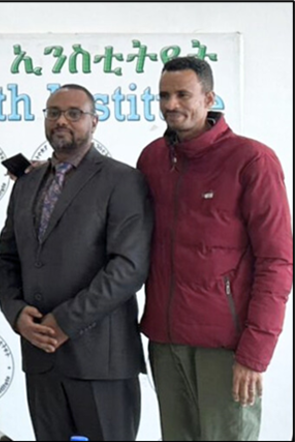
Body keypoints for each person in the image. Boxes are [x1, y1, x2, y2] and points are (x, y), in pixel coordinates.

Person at [137, 56, 293, 441]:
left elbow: (277, 261)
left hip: (226, 349)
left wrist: (255, 353)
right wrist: (51, 173)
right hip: (166, 344)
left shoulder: (252, 160)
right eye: (164, 95)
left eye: (182, 94)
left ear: (209, 99)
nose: (171, 104)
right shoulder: (152, 159)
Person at [0, 84, 152, 441]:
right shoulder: (27, 183)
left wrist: (65, 322)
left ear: (94, 121)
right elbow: (6, 258)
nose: (61, 120)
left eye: (74, 113)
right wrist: (16, 314)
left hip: (101, 362)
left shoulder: (123, 180)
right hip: (41, 359)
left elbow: (128, 267)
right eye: (53, 113)